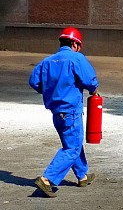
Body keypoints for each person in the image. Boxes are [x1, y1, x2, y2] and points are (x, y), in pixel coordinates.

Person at [29, 26, 99, 197]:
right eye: (79, 46)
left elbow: (33, 81)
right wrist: (94, 91)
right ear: (75, 44)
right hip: (71, 112)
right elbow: (90, 81)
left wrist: (49, 91)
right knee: (72, 148)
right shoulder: (76, 58)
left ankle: (82, 176)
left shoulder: (47, 61)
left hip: (56, 113)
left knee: (72, 143)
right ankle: (47, 179)